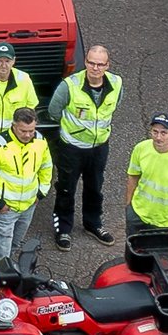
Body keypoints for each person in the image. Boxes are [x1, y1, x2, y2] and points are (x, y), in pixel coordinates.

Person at [43, 44, 125, 246]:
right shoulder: (69, 85)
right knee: (65, 189)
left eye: (100, 64)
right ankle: (63, 229)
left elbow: (115, 106)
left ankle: (93, 224)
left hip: (99, 147)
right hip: (71, 148)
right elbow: (54, 110)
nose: (95, 68)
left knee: (95, 187)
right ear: (86, 62)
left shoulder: (116, 84)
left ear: (107, 65)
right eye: (91, 63)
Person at [0, 108, 54, 277]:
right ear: (13, 126)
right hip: (6, 208)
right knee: (2, 251)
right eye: (23, 131)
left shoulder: (40, 141)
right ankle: (1, 279)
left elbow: (46, 167)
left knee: (16, 243)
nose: (27, 135)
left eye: (31, 131)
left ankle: (10, 273)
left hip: (28, 205)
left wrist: (41, 192)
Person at [126, 113, 168, 234]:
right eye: (155, 132)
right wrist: (129, 206)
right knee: (132, 250)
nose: (158, 137)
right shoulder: (141, 148)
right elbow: (133, 177)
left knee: (155, 252)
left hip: (165, 223)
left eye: (164, 133)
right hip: (137, 214)